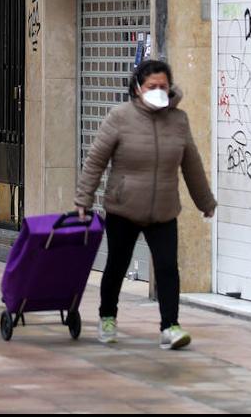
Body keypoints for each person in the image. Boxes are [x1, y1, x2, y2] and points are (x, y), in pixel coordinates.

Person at [73, 59, 216, 350]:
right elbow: (95, 161)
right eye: (153, 86)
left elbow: (192, 165)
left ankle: (170, 327)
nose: (159, 91)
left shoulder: (179, 120)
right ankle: (107, 317)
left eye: (164, 86)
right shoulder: (120, 117)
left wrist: (205, 201)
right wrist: (83, 200)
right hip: (123, 208)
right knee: (116, 265)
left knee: (167, 268)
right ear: (138, 88)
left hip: (163, 209)